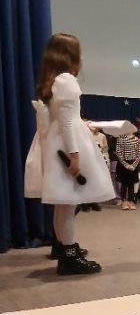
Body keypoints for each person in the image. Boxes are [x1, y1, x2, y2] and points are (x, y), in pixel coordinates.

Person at [24, 33, 114, 275]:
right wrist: (74, 155)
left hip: (59, 143)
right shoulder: (67, 80)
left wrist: (82, 124)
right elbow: (66, 123)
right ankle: (69, 257)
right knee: (68, 203)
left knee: (64, 204)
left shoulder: (54, 80)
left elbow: (63, 119)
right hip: (66, 146)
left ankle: (65, 249)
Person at [115, 128, 140, 210]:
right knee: (124, 184)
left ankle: (130, 201)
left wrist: (134, 165)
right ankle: (124, 201)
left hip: (133, 164)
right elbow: (118, 152)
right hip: (123, 164)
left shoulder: (137, 139)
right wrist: (125, 165)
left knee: (131, 184)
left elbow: (139, 153)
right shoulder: (120, 139)